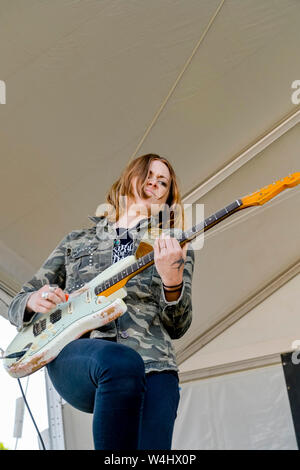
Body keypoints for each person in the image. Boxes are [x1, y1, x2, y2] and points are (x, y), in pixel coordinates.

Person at [8, 154, 194, 450]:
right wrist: (34, 299)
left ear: (167, 200)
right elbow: (18, 303)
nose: (155, 183)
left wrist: (172, 281)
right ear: (128, 177)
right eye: (149, 174)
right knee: (119, 363)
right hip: (78, 353)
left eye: (163, 183)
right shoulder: (76, 241)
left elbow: (177, 325)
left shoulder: (171, 245)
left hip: (154, 364)